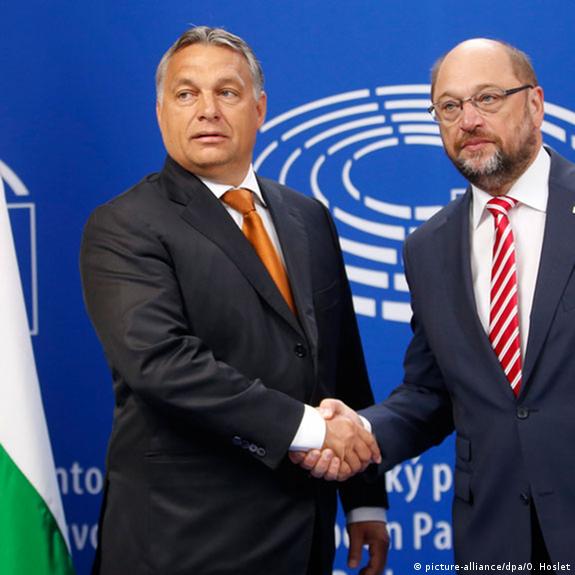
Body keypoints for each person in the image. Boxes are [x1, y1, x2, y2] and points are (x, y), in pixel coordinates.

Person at [80, 26, 389, 575]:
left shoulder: (308, 216)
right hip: (183, 543)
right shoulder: (124, 225)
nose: (208, 110)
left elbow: (339, 361)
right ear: (160, 112)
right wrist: (313, 429)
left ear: (259, 108)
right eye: (186, 93)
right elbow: (163, 365)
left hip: (305, 536)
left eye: (227, 91)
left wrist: (365, 497)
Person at [297, 38, 575, 568]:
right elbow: (431, 393)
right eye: (449, 106)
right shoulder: (428, 247)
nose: (468, 120)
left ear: (536, 103)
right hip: (496, 538)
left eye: (488, 98)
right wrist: (361, 431)